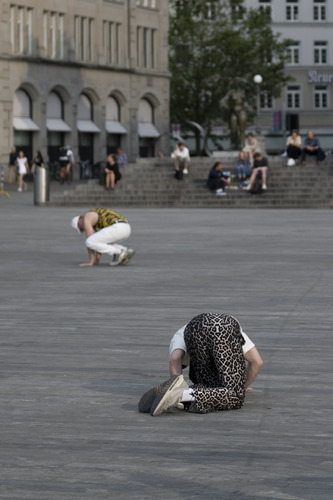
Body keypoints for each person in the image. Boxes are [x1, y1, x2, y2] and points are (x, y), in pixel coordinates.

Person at [138, 313, 263, 416]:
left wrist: (174, 382)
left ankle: (181, 394)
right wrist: (239, 387)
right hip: (225, 324)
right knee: (235, 397)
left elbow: (175, 359)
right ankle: (180, 394)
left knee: (210, 385)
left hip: (195, 327)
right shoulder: (228, 327)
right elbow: (257, 362)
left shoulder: (180, 333)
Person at [71, 207, 135, 267]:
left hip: (117, 227)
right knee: (100, 241)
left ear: (79, 221)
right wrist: (97, 261)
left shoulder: (87, 218)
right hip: (126, 227)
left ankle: (119, 252)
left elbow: (89, 241)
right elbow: (97, 244)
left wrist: (91, 262)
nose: (83, 230)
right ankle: (125, 250)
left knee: (89, 241)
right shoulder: (95, 218)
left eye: (81, 229)